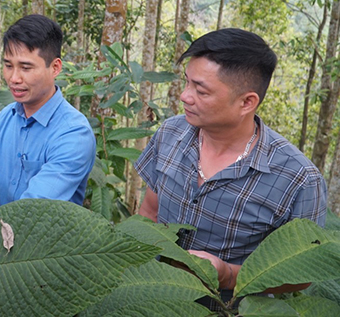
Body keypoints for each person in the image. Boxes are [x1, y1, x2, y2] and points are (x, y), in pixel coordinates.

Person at [136, 28, 327, 307]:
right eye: (187, 83)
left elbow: (303, 273)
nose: (185, 96)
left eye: (200, 90)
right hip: (152, 299)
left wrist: (228, 275)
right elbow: (149, 213)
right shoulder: (170, 134)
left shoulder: (298, 178)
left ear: (246, 102)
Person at [0, 14, 96, 208]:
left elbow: (32, 209)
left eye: (26, 67)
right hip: (1, 235)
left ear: (55, 68)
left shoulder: (73, 133)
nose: (14, 78)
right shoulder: (6, 117)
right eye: (8, 66)